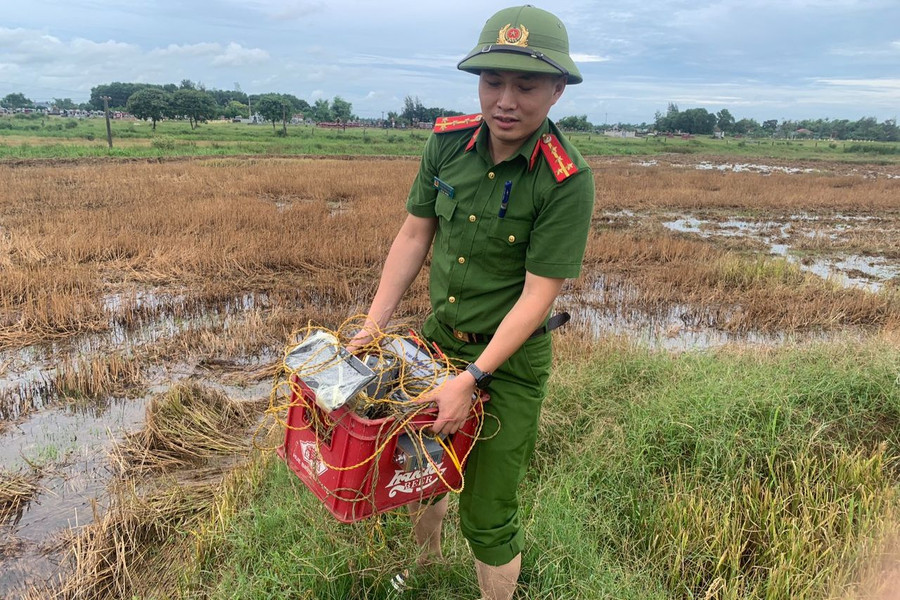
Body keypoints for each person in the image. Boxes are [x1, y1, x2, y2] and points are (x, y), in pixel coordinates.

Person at [348, 5, 594, 599]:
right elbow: (413, 236)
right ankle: (425, 570)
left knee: (487, 511)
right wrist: (370, 330)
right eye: (492, 82)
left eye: (526, 85)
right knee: (421, 469)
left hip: (506, 367)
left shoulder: (565, 180)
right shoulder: (449, 145)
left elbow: (539, 296)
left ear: (556, 90)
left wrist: (474, 377)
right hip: (436, 345)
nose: (505, 100)